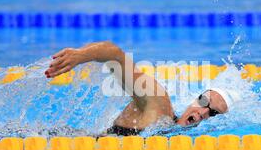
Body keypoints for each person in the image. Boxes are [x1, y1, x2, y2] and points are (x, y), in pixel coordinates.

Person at [45, 41, 238, 136]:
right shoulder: (158, 105)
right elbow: (115, 54)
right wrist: (81, 55)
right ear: (195, 99)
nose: (203, 112)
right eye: (204, 102)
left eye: (213, 113)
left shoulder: (176, 136)